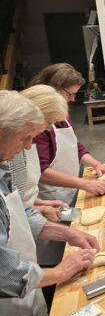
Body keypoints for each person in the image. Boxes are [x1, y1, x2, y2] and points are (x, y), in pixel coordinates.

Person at [0, 90, 97, 316]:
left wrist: (66, 232)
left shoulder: (2, 169)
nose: (27, 147)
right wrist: (60, 272)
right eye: (25, 137)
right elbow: (5, 273)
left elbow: (16, 211)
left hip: (19, 299)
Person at [29, 63, 105, 267]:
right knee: (52, 254)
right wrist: (83, 183)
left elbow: (74, 145)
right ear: (53, 88)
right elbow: (40, 171)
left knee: (71, 242)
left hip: (65, 194)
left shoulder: (60, 114)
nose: (72, 100)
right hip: (50, 194)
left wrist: (96, 164)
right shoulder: (38, 123)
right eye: (69, 95)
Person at [9, 85, 70, 222]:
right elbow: (9, 207)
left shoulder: (21, 143)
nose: (49, 128)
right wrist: (39, 209)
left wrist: (39, 204)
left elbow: (14, 196)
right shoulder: (10, 150)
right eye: (49, 122)